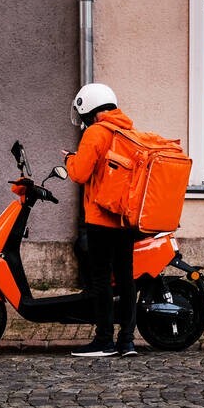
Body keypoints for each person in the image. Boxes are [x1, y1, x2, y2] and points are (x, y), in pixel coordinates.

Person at [63, 83, 139, 357]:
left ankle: (104, 340)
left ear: (88, 110)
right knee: (126, 279)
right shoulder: (128, 132)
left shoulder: (96, 132)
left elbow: (80, 174)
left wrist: (71, 160)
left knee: (100, 281)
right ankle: (127, 341)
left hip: (100, 219)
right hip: (125, 220)